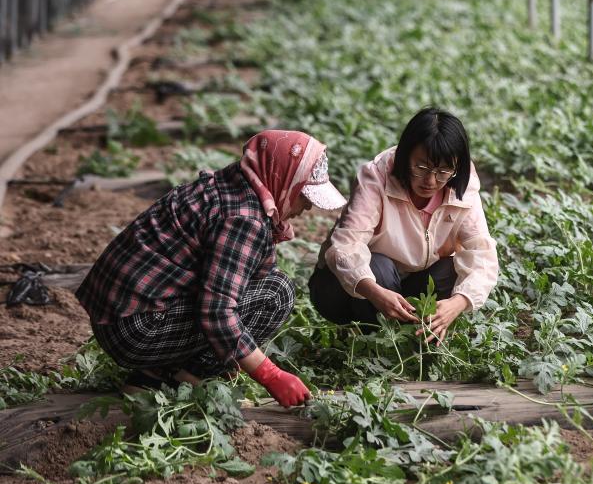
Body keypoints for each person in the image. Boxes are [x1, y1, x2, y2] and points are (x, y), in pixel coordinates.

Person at [76, 130, 347, 407]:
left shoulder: (231, 185)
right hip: (137, 331)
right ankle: (174, 378)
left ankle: (158, 374)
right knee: (276, 293)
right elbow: (217, 311)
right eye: (305, 195)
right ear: (284, 179)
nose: (308, 207)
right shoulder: (244, 219)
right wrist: (270, 374)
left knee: (264, 282)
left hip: (117, 319)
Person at [309, 107, 499, 344]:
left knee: (451, 270)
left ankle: (416, 338)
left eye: (443, 171)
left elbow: (482, 253)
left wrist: (458, 303)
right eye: (421, 168)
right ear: (406, 155)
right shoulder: (376, 177)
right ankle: (376, 341)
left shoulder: (462, 185)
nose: (431, 181)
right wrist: (375, 292)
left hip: (411, 281)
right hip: (347, 289)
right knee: (379, 267)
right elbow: (345, 246)